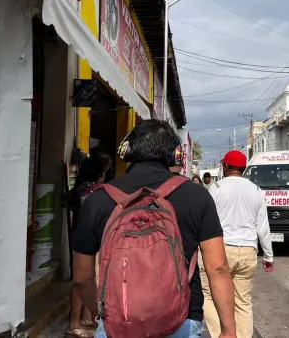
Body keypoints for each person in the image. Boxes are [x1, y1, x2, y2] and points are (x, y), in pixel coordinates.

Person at [71, 120, 236, 338]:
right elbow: (218, 269)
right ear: (176, 155)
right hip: (182, 321)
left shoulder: (98, 200)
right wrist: (228, 330)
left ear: (127, 151)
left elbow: (82, 278)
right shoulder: (197, 196)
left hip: (119, 323)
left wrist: (101, 314)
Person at [201, 150, 274, 338]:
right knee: (243, 302)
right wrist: (268, 256)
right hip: (248, 250)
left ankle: (222, 334)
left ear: (225, 166)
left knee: (210, 296)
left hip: (220, 250)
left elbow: (206, 222)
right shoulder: (256, 190)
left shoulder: (216, 188)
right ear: (244, 169)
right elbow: (263, 227)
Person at [66, 155, 107, 338]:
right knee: (85, 279)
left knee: (82, 278)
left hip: (78, 237)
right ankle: (76, 323)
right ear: (99, 173)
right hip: (92, 240)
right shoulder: (97, 192)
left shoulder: (78, 189)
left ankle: (84, 318)